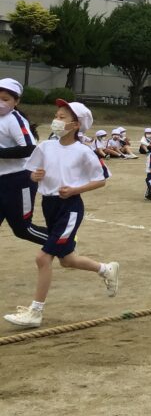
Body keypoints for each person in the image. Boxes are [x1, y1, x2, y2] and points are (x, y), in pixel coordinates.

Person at [4, 100, 118, 328]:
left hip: (70, 207)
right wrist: (35, 176)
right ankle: (106, 269)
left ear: (76, 125)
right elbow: (32, 172)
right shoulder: (46, 146)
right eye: (56, 116)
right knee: (67, 260)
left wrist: (75, 190)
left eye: (62, 117)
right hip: (49, 205)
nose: (56, 120)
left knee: (42, 258)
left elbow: (101, 179)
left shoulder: (83, 151)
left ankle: (35, 312)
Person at [0, 78, 45, 247]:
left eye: (5, 99)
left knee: (22, 229)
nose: (0, 103)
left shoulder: (14, 119)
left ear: (16, 101)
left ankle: (63, 242)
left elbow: (29, 148)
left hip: (19, 180)